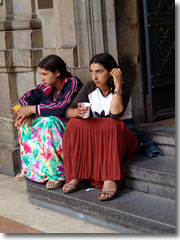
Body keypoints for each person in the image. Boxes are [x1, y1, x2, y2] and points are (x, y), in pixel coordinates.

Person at [62, 53, 139, 201]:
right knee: (74, 123)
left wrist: (117, 85)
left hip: (122, 136)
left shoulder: (123, 88)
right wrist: (77, 112)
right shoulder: (90, 87)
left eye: (99, 71)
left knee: (110, 124)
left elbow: (115, 115)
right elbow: (68, 112)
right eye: (92, 71)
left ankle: (110, 178)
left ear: (111, 72)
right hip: (100, 136)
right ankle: (77, 173)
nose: (94, 77)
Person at [14, 54, 83, 189]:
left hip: (71, 126)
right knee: (24, 124)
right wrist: (26, 113)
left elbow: (62, 107)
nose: (42, 78)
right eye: (41, 74)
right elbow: (25, 98)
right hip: (52, 127)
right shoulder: (45, 87)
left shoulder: (72, 83)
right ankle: (31, 170)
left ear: (57, 72)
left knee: (50, 121)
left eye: (45, 74)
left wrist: (33, 109)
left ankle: (56, 174)